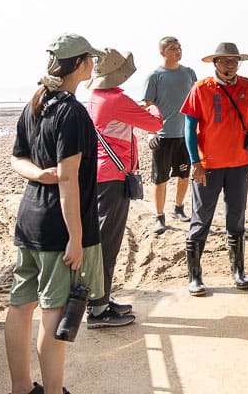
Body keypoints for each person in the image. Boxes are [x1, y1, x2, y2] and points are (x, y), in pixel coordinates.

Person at [5, 33, 105, 394]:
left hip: (28, 218)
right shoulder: (72, 111)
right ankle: (52, 390)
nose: (94, 65)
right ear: (78, 64)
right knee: (53, 310)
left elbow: (18, 159)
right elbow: (68, 180)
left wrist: (38, 174)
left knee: (20, 304)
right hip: (57, 225)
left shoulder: (36, 103)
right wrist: (76, 238)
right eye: (90, 59)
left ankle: (20, 388)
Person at [87, 49, 163, 327]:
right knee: (108, 242)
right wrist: (152, 105)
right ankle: (97, 309)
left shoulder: (97, 97)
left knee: (102, 240)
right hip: (113, 176)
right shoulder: (117, 99)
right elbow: (155, 122)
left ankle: (102, 299)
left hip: (100, 173)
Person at [181, 42, 248, 296]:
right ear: (215, 62)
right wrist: (195, 162)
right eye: (225, 61)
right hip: (209, 165)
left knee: (236, 218)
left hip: (239, 163)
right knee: (201, 217)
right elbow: (189, 128)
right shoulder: (201, 88)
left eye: (234, 61)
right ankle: (195, 277)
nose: (230, 65)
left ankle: (238, 272)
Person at [142, 36, 198, 235]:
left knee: (184, 174)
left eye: (179, 47)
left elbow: (196, 102)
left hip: (185, 135)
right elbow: (147, 105)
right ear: (162, 52)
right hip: (162, 136)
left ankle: (179, 208)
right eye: (173, 48)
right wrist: (150, 132)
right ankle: (159, 217)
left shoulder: (189, 73)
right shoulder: (154, 76)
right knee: (160, 179)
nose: (178, 51)